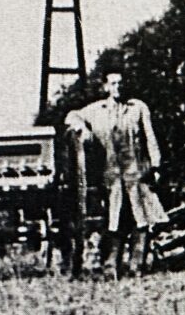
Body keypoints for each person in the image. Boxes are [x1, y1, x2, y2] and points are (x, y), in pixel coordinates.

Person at [65, 71, 168, 279]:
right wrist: (81, 128)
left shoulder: (137, 108)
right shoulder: (96, 110)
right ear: (106, 87)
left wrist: (156, 166)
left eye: (121, 83)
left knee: (141, 220)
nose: (118, 87)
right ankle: (111, 266)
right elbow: (71, 115)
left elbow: (150, 138)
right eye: (113, 84)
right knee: (115, 221)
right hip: (111, 177)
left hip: (137, 174)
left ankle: (136, 266)